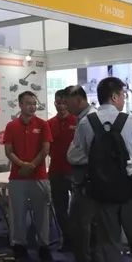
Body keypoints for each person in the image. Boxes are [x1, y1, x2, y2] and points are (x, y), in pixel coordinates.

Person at [76, 77, 132, 262]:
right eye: (123, 95)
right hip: (130, 190)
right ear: (115, 96)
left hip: (103, 192)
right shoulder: (131, 121)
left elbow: (78, 154)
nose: (124, 99)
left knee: (110, 243)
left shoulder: (86, 122)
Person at [4, 91, 53, 261]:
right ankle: (19, 245)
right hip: (17, 177)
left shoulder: (43, 124)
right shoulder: (11, 126)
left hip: (39, 176)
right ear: (20, 105)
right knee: (17, 213)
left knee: (42, 213)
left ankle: (43, 245)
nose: (32, 106)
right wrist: (22, 165)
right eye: (28, 103)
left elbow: (45, 149)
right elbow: (8, 151)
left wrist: (32, 165)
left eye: (34, 103)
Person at [62, 85, 102, 262]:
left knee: (79, 223)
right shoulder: (91, 118)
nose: (66, 107)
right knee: (92, 222)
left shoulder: (87, 121)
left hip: (85, 177)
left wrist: (72, 156)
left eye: (68, 102)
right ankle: (94, 259)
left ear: (79, 100)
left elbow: (84, 152)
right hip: (92, 178)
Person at [47, 89, 77, 251]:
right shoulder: (49, 124)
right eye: (58, 103)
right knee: (59, 208)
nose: (61, 106)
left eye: (64, 102)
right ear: (54, 103)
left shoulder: (78, 121)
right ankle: (67, 238)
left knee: (78, 208)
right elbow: (47, 148)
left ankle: (79, 239)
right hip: (56, 171)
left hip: (75, 172)